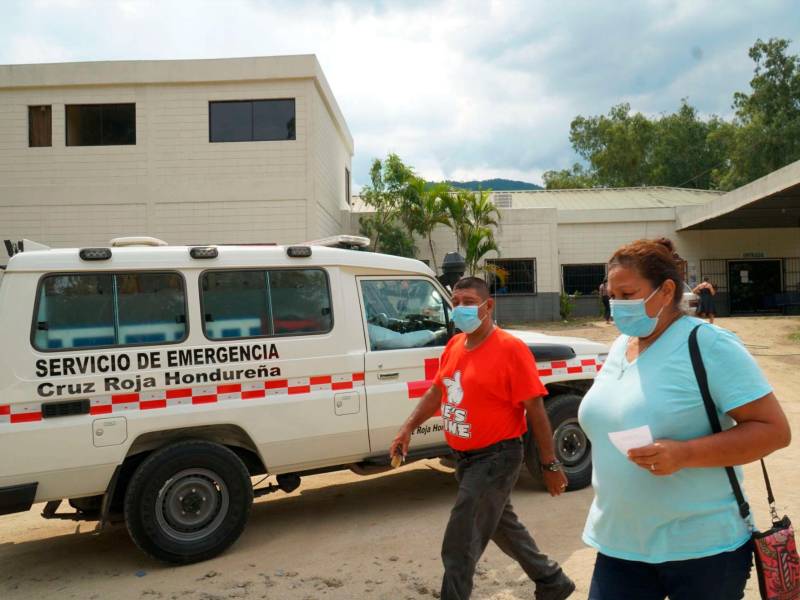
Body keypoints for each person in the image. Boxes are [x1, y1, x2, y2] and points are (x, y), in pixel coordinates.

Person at [578, 238, 791, 600]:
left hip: (703, 551)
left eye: (628, 295)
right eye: (612, 295)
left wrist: (684, 454)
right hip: (620, 543)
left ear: (666, 291)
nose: (616, 307)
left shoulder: (708, 344)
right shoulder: (620, 346)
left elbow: (774, 431)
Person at [390, 277, 575, 600]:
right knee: (503, 526)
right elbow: (437, 391)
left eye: (468, 302)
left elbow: (536, 410)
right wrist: (407, 428)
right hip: (465, 457)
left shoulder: (510, 349)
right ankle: (552, 581)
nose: (460, 308)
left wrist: (549, 463)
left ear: (488, 306)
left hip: (496, 458)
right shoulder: (455, 345)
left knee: (460, 542)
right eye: (455, 301)